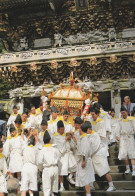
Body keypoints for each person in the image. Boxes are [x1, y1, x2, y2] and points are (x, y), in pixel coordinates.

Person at [85, 121, 116, 192]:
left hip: (98, 155)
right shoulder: (88, 135)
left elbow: (94, 147)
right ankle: (91, 185)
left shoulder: (95, 135)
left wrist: (87, 153)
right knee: (91, 171)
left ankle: (111, 185)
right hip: (92, 156)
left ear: (89, 129)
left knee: (104, 170)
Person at [52, 120, 76, 191]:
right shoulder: (55, 136)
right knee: (61, 171)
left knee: (75, 165)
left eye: (63, 129)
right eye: (61, 129)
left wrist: (70, 137)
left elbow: (71, 145)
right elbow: (57, 146)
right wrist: (65, 139)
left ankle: (70, 176)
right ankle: (61, 186)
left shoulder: (66, 134)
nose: (63, 131)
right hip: (60, 155)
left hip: (68, 153)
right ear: (58, 129)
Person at [75, 122, 95, 196]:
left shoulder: (85, 138)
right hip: (82, 160)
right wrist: (76, 140)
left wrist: (84, 160)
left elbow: (85, 150)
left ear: (81, 130)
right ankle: (87, 194)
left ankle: (88, 194)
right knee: (83, 179)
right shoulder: (83, 138)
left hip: (85, 160)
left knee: (85, 179)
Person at [38, 130, 59, 196]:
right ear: (50, 140)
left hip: (47, 169)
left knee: (47, 189)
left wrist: (41, 169)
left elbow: (40, 161)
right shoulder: (55, 149)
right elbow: (58, 157)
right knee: (54, 189)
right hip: (55, 168)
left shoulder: (42, 150)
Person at [116, 106, 135, 176]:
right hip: (123, 138)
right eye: (122, 113)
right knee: (124, 154)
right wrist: (117, 136)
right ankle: (127, 168)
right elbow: (117, 128)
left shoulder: (132, 119)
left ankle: (134, 169)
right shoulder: (119, 120)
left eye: (124, 112)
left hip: (130, 137)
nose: (123, 114)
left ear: (126, 112)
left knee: (132, 153)